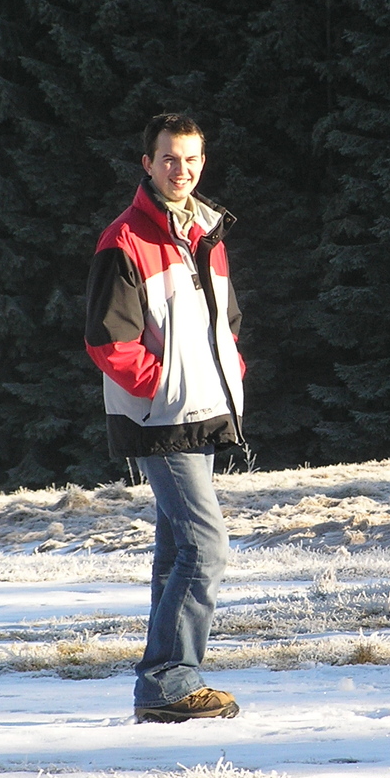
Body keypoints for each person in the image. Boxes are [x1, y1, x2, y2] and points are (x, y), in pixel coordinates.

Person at [85, 113, 245, 723]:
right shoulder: (124, 238)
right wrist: (168, 387)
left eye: (192, 158)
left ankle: (163, 686)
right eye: (170, 158)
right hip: (163, 418)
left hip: (201, 407)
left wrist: (226, 372)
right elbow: (109, 341)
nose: (183, 170)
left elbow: (227, 322)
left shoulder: (207, 230)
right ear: (147, 164)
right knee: (206, 547)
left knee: (178, 549)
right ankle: (168, 680)